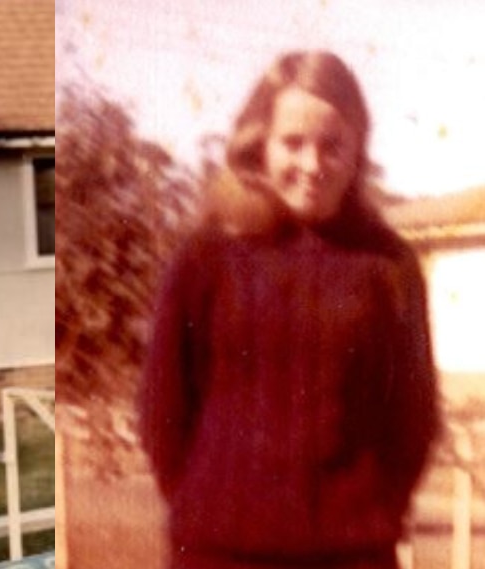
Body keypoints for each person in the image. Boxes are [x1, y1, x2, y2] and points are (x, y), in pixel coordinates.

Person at [138, 51, 439, 569]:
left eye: (332, 146)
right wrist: (203, 504)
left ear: (357, 151)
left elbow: (413, 416)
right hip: (218, 551)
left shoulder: (389, 264)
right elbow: (162, 406)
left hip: (352, 554)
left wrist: (372, 512)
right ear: (259, 145)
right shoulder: (207, 255)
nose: (312, 164)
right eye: (293, 143)